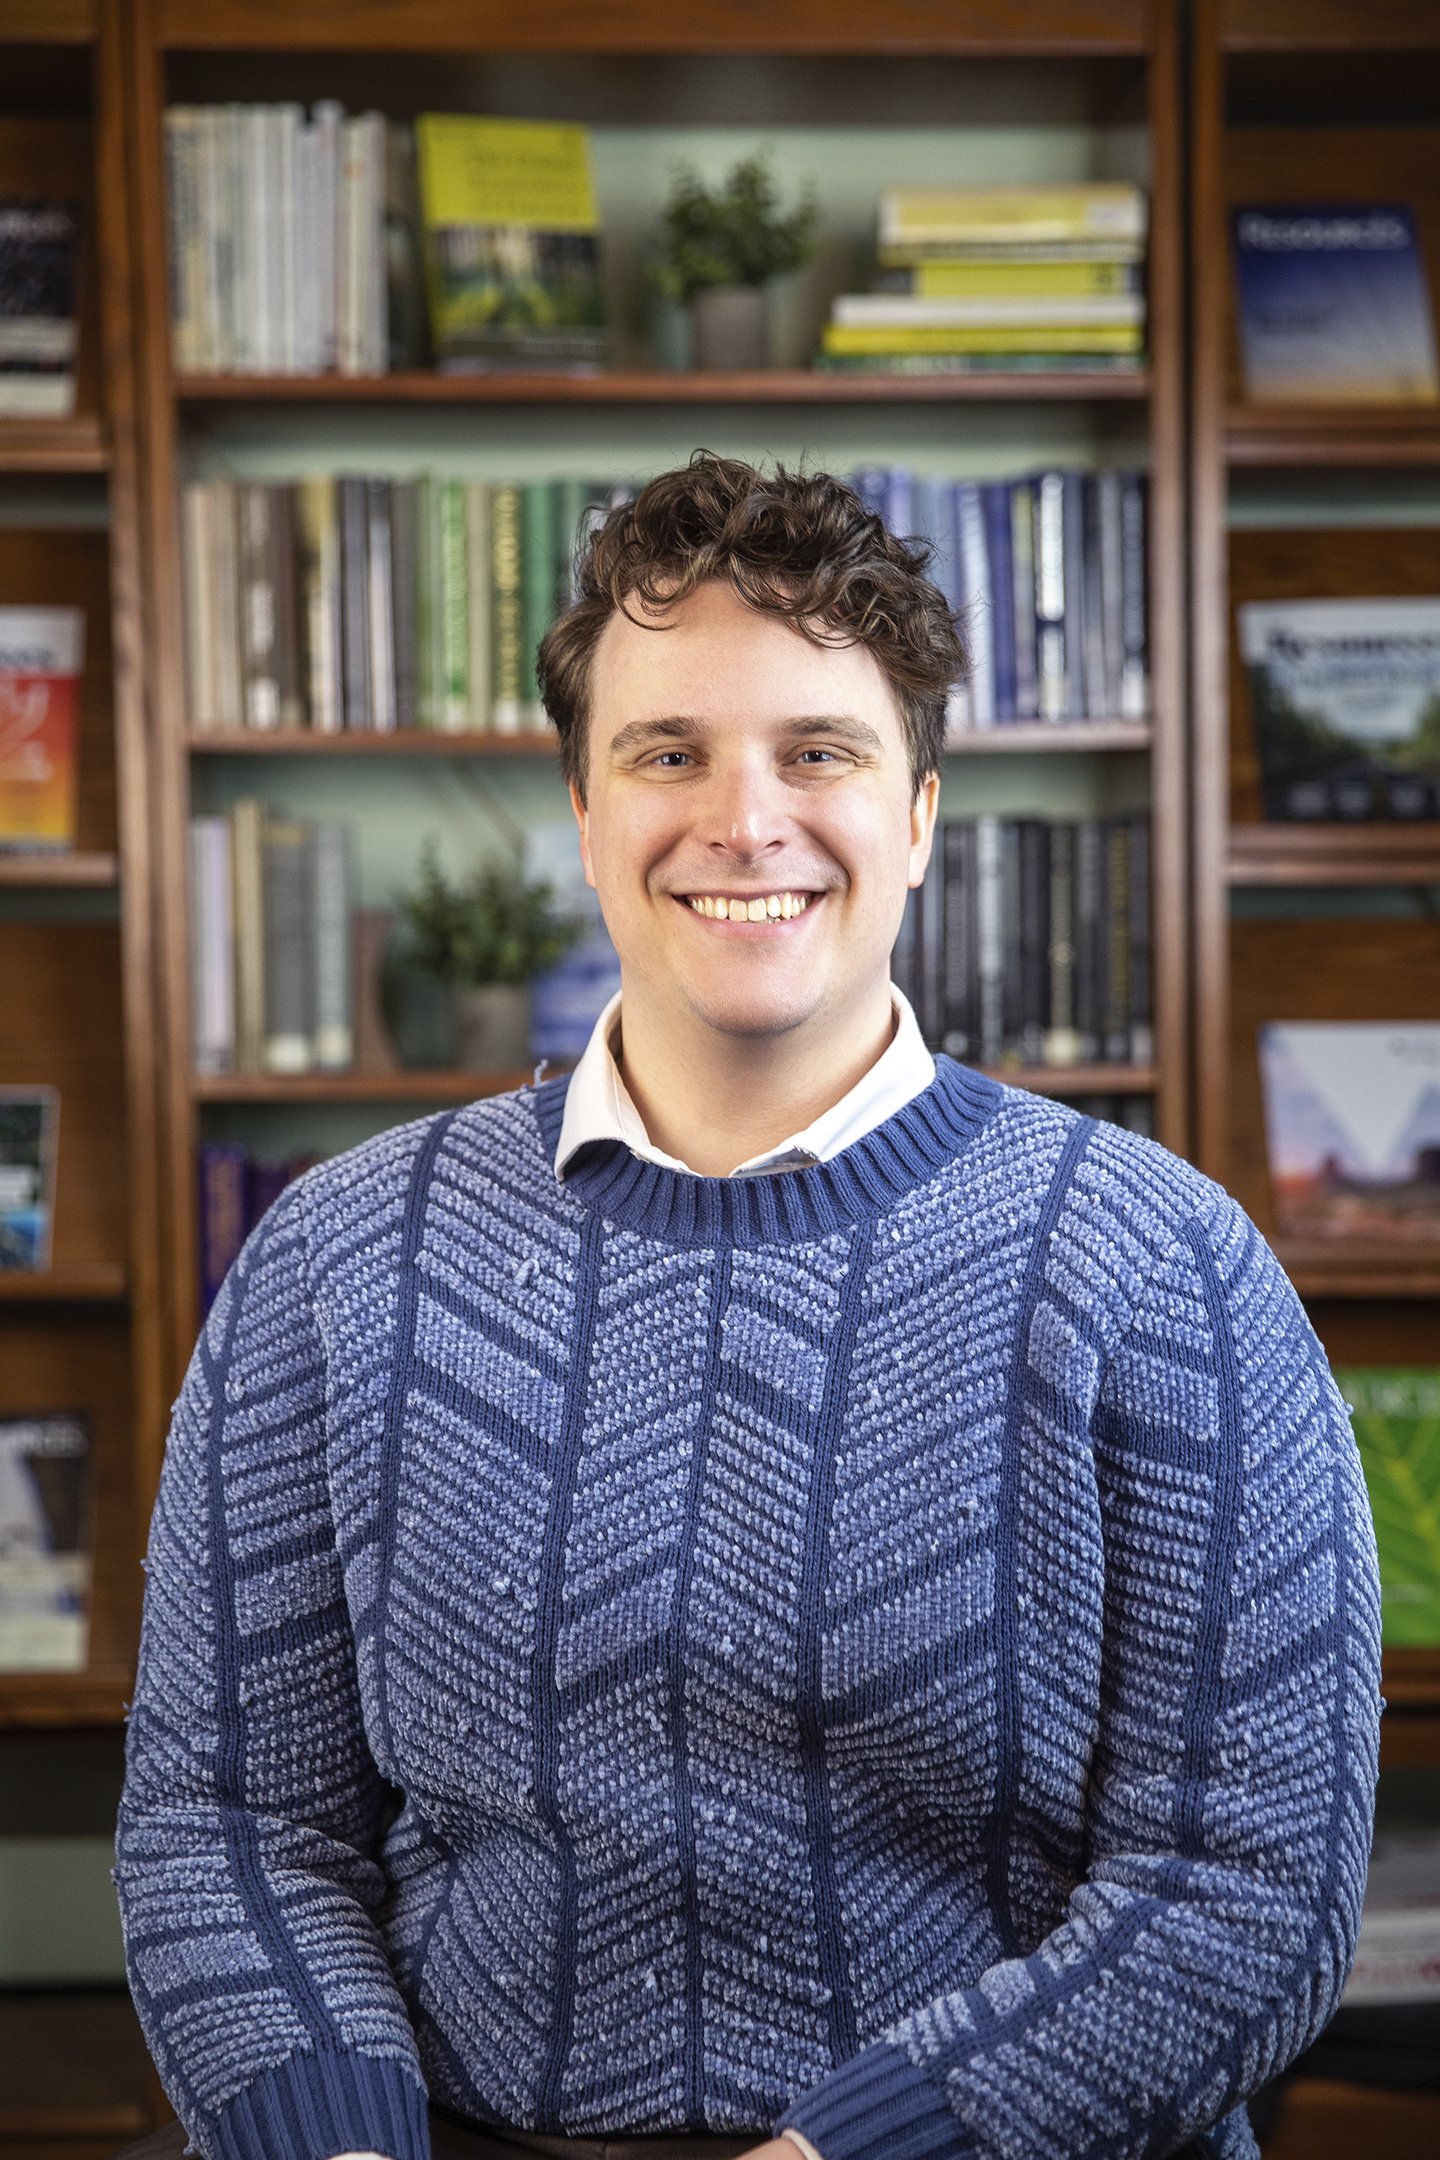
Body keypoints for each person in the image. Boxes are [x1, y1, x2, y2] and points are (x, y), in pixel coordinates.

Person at [113, 453, 1382, 2160]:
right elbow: (230, 1829)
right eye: (668, 754)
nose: (744, 819)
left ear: (918, 817)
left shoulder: (1168, 1270)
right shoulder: (332, 1259)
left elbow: (1248, 1889)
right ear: (585, 815)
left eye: (819, 752)